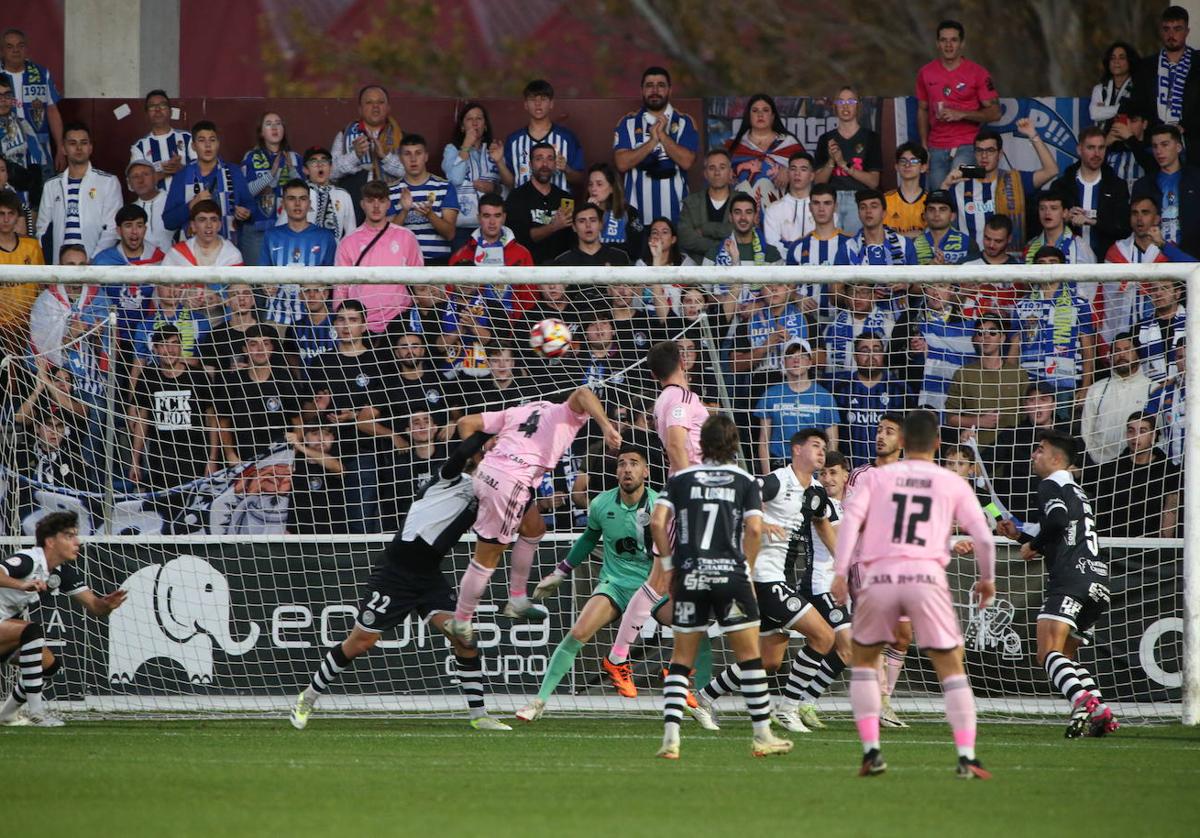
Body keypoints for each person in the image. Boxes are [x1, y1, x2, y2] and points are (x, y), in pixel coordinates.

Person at [290, 432, 511, 732]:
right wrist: (495, 424)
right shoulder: (447, 479)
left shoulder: (487, 500)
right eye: (488, 455)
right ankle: (308, 697)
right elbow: (463, 450)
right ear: (476, 459)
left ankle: (479, 714)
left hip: (428, 576)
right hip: (395, 572)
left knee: (465, 639)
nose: (492, 463)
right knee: (361, 642)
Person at [832, 410, 996, 778]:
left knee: (863, 661)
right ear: (938, 444)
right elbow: (984, 537)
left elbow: (849, 523)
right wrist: (987, 578)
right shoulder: (950, 481)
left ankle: (871, 750)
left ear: (904, 442)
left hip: (880, 575)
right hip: (926, 577)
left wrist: (841, 571)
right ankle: (966, 756)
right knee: (952, 666)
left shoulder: (877, 478)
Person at [651, 414, 792, 759]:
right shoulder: (745, 480)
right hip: (730, 577)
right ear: (734, 444)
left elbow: (657, 522)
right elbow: (755, 531)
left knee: (681, 659)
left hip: (690, 575)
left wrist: (669, 567)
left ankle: (671, 738)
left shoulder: (681, 478)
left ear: (701, 444)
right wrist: (746, 568)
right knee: (749, 656)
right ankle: (762, 735)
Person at [443, 386, 621, 645]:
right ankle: (461, 619)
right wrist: (606, 426)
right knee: (487, 556)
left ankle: (517, 598)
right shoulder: (566, 413)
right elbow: (583, 393)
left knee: (534, 528)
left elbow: (465, 423)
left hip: (493, 473)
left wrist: (480, 460)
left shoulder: (519, 410)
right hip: (510, 482)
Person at [693, 429, 841, 734]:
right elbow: (737, 501)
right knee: (825, 637)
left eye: (823, 447)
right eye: (815, 446)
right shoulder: (776, 480)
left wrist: (845, 562)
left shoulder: (815, 492)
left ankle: (704, 698)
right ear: (796, 449)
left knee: (769, 660)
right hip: (763, 578)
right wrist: (762, 521)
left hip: (781, 579)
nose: (821, 452)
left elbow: (824, 525)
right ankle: (788, 709)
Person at [517, 446, 662, 721]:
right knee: (577, 633)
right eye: (621, 464)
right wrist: (560, 572)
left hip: (652, 586)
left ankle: (700, 701)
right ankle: (538, 702)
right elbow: (587, 539)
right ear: (616, 471)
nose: (627, 469)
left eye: (634, 463)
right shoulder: (600, 505)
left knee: (689, 628)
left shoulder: (659, 506)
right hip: (615, 584)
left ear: (646, 471)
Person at [601, 340, 710, 698]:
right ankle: (622, 658)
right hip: (688, 497)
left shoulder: (676, 398)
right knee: (664, 581)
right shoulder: (677, 399)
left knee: (685, 586)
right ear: (681, 361)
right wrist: (692, 487)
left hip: (690, 494)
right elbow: (678, 444)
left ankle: (678, 670)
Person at [996, 431, 1118, 739]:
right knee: (1065, 656)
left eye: (1039, 449)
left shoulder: (1051, 484)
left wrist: (1033, 546)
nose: (1033, 455)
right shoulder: (1075, 490)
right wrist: (1019, 535)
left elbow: (1057, 523)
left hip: (1070, 579)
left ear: (1056, 458)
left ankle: (1082, 701)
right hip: (1097, 582)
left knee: (1046, 653)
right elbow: (1063, 529)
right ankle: (1100, 710)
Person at [0, 512, 126, 727]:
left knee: (49, 666)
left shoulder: (61, 573)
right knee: (31, 632)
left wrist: (107, 605)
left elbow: (95, 607)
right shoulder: (28, 560)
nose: (77, 542)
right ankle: (37, 714)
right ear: (50, 541)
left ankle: (7, 714)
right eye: (69, 536)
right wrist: (21, 585)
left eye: (76, 536)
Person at [128, 324, 216, 527]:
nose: (170, 349)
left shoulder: (198, 376)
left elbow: (212, 419)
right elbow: (142, 420)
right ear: (155, 349)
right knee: (163, 518)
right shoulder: (148, 377)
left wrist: (212, 458)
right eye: (164, 345)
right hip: (160, 461)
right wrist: (135, 459)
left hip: (195, 461)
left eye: (175, 344)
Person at [943, 121, 1059, 251]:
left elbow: (1051, 170)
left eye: (990, 150)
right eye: (979, 150)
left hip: (1008, 261)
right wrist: (945, 184)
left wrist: (1033, 135)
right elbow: (937, 216)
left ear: (1000, 154)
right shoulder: (960, 185)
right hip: (971, 262)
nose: (984, 156)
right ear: (974, 153)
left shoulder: (1015, 180)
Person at [915, 19, 1001, 191]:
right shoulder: (926, 72)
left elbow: (995, 113)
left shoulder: (978, 72)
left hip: (968, 145)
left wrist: (962, 114)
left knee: (961, 192)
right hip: (936, 146)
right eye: (943, 40)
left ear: (962, 44)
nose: (948, 45)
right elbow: (922, 109)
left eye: (953, 40)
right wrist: (924, 145)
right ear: (937, 43)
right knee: (938, 197)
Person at [613, 66, 699, 226]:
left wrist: (663, 136)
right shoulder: (627, 123)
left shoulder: (685, 122)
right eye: (649, 85)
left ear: (670, 90)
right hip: (636, 217)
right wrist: (652, 142)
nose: (655, 90)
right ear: (642, 90)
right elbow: (622, 163)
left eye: (660, 85)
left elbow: (687, 161)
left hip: (677, 216)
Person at [333, 180, 422, 334]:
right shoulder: (348, 242)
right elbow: (340, 289)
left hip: (400, 322)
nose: (376, 206)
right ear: (362, 204)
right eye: (370, 201)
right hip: (360, 325)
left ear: (388, 204)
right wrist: (343, 323)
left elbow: (420, 282)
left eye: (381, 201)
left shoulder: (407, 237)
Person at [213, 325, 307, 467]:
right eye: (253, 344)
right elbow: (223, 422)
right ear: (245, 349)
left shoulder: (284, 379)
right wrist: (230, 454)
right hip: (242, 461)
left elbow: (297, 421)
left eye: (266, 343)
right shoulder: (232, 381)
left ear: (272, 348)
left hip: (278, 460)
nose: (260, 349)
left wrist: (291, 452)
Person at [1013, 250, 1096, 411]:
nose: (1047, 267)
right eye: (1042, 263)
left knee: (1061, 433)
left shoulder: (1079, 303)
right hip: (1030, 384)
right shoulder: (1022, 305)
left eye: (1053, 262)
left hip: (1066, 383)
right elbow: (1014, 349)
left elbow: (1088, 350)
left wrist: (1085, 387)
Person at [35, 121, 121, 262]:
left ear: (91, 147)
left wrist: (93, 260)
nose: (79, 148)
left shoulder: (108, 182)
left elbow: (112, 229)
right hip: (59, 268)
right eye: (73, 143)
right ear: (63, 149)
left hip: (95, 265)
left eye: (84, 142)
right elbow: (42, 229)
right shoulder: (51, 185)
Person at [1091, 412, 1181, 539]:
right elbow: (1100, 514)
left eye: (1142, 431)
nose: (1135, 437)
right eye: (1131, 431)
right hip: (1114, 547)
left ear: (1153, 435)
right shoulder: (1109, 470)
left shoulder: (1168, 470)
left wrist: (1163, 546)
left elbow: (1171, 511)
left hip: (1154, 548)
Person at [162, 120, 254, 244]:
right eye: (201, 140)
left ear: (218, 144)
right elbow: (168, 221)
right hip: (192, 253)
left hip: (228, 250)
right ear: (194, 146)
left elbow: (250, 205)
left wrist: (246, 213)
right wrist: (192, 204)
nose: (208, 145)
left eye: (212, 140)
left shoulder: (233, 172)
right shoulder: (182, 176)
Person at [260, 179, 338, 326]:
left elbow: (332, 281)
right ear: (283, 203)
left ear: (309, 204)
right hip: (278, 318)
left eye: (302, 199)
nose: (297, 204)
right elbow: (263, 275)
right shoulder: (271, 236)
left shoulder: (325, 237)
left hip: (314, 319)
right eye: (291, 199)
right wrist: (267, 285)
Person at [754, 341, 839, 474]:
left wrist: (824, 474)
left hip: (813, 469)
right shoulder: (770, 395)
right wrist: (768, 476)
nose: (796, 360)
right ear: (783, 362)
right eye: (791, 356)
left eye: (802, 356)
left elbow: (833, 442)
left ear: (810, 362)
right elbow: (764, 441)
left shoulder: (825, 397)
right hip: (780, 466)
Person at [944, 316, 1029, 449]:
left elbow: (1027, 416)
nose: (986, 337)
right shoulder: (963, 374)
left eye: (992, 332)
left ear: (1002, 338)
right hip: (975, 452)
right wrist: (980, 421)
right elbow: (951, 418)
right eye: (980, 333)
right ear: (976, 339)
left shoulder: (1019, 374)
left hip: (1012, 454)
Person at [1052, 127, 1130, 262]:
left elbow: (1124, 228)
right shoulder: (1061, 186)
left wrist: (1092, 222)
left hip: (1107, 264)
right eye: (1091, 148)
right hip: (1068, 262)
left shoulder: (1117, 186)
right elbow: (1047, 222)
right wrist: (1064, 216)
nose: (1097, 153)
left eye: (1101, 148)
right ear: (1079, 149)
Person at [830, 332, 909, 466]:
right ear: (855, 356)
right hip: (849, 471)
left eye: (876, 350)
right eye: (864, 350)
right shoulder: (840, 390)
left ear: (883, 355)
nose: (871, 355)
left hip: (889, 471)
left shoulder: (900, 390)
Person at [814, 86, 881, 234]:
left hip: (859, 199)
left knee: (855, 247)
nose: (845, 106)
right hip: (831, 199)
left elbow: (873, 181)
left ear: (858, 106)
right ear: (834, 107)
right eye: (840, 101)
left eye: (851, 101)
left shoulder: (871, 138)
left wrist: (844, 164)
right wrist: (832, 161)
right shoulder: (825, 139)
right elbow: (818, 182)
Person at [330, 84, 403, 222]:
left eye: (380, 102)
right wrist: (355, 156)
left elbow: (411, 173)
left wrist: (385, 157)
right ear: (360, 109)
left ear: (388, 108)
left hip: (391, 206)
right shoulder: (344, 134)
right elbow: (331, 173)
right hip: (353, 205)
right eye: (369, 102)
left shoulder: (400, 136)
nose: (375, 107)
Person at [239, 111, 302, 265]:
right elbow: (247, 192)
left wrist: (292, 171)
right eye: (268, 124)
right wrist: (271, 174)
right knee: (258, 281)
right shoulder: (251, 157)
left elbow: (306, 192)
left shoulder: (294, 157)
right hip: (257, 229)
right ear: (261, 132)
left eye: (278, 123)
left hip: (289, 228)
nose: (274, 127)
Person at [1080, 334, 1153, 466]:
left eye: (1127, 350)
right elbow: (1086, 432)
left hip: (1140, 467)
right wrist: (1096, 458)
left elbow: (1159, 432)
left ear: (1137, 354)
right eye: (1117, 351)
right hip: (1101, 466)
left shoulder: (1153, 389)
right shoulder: (1097, 389)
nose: (1122, 355)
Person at [1131, 6, 1200, 140]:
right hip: (1155, 141)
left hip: (1194, 142)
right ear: (1161, 32)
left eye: (1177, 29)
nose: (1171, 35)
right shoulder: (1146, 66)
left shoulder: (1198, 62)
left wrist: (1185, 126)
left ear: (1187, 31)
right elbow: (1138, 103)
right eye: (1166, 29)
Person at [500, 79, 583, 191]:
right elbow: (510, 183)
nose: (538, 103)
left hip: (559, 206)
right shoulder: (514, 140)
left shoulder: (567, 138)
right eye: (533, 99)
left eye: (543, 99)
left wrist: (566, 169)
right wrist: (498, 161)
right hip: (523, 206)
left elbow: (580, 178)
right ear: (525, 105)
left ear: (551, 104)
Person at [0, 28, 63, 177]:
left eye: (20, 45)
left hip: (40, 149)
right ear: (2, 50)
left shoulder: (41, 73)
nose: (16, 50)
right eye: (10, 46)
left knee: (41, 196)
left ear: (26, 48)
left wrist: (60, 147)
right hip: (5, 149)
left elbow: (52, 110)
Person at [389, 133, 459, 265]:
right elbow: (387, 237)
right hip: (403, 263)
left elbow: (450, 234)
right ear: (400, 158)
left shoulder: (444, 187)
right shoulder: (391, 190)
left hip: (437, 263)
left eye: (418, 153)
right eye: (407, 154)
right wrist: (404, 212)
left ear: (426, 156)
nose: (413, 159)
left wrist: (430, 215)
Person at [1131, 124, 1200, 257]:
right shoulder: (1143, 185)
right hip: (1153, 258)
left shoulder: (1196, 179)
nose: (1159, 151)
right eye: (1155, 146)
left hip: (1192, 257)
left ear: (1179, 147)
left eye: (1165, 144)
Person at [503, 141, 574, 265]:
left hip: (560, 273)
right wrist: (553, 226)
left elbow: (571, 240)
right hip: (527, 269)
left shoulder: (564, 198)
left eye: (550, 159)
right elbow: (521, 238)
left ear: (555, 163)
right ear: (530, 164)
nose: (545, 164)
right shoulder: (517, 196)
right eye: (539, 159)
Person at [727, 93, 804, 207]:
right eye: (755, 110)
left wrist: (790, 172)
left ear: (773, 116)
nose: (760, 114)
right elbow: (718, 173)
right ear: (749, 116)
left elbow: (807, 173)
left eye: (765, 110)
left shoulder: (789, 143)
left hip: (782, 212)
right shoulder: (733, 145)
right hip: (742, 213)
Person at [442, 102, 500, 249]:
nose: (475, 123)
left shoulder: (494, 150)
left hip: (492, 225)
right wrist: (466, 145)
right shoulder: (452, 150)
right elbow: (455, 178)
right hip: (463, 226)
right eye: (469, 119)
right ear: (462, 127)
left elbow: (507, 187)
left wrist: (493, 188)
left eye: (479, 118)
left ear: (485, 125)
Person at [449, 192, 535, 270]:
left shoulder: (522, 254)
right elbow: (449, 287)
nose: (492, 222)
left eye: (497, 216)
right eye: (486, 216)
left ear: (504, 218)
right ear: (479, 218)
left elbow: (529, 287)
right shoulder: (461, 256)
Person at [129, 89, 194, 192]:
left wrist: (182, 169)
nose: (158, 110)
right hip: (156, 206)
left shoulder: (188, 138)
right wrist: (166, 172)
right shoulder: (139, 147)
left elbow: (203, 171)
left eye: (163, 105)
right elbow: (133, 185)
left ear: (170, 111)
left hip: (187, 203)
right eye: (152, 106)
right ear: (146, 114)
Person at [677, 147, 733, 262]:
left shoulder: (742, 201)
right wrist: (723, 246)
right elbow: (686, 239)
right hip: (698, 270)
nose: (717, 172)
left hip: (735, 267)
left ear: (730, 173)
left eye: (722, 167)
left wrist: (706, 229)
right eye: (712, 168)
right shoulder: (691, 202)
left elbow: (744, 234)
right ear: (705, 174)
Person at [835, 188, 917, 266]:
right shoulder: (847, 248)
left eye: (874, 206)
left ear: (884, 213)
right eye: (863, 207)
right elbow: (837, 280)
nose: (868, 211)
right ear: (859, 214)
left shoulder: (905, 244)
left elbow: (915, 279)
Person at [703, 191, 782, 265]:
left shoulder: (772, 254)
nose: (743, 217)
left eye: (748, 212)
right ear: (730, 217)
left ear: (755, 217)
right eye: (738, 212)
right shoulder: (713, 254)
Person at [1023, 189, 1097, 267]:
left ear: (1065, 213)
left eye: (1053, 208)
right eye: (1042, 208)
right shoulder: (1030, 247)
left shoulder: (1080, 247)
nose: (1047, 213)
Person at [586, 161, 643, 261]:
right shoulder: (582, 212)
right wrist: (592, 214)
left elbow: (637, 249)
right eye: (590, 184)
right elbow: (578, 247)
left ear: (612, 188)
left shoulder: (628, 212)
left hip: (622, 269)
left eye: (599, 184)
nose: (593, 189)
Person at [162, 200, 244, 268]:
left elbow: (239, 286)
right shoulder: (177, 254)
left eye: (213, 220)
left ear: (219, 225)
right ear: (193, 226)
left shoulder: (231, 254)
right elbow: (162, 285)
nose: (209, 225)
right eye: (202, 220)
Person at [763, 151, 817, 252]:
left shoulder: (822, 207)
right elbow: (773, 246)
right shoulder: (774, 209)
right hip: (784, 266)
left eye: (803, 169)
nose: (797, 173)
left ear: (812, 176)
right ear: (788, 173)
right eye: (793, 169)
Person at [299, 146, 355, 241]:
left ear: (331, 167)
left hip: (335, 253)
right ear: (305, 170)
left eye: (324, 161)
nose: (320, 165)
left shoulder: (343, 195)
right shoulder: (298, 195)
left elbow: (351, 232)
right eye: (313, 162)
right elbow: (283, 227)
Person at [554, 202, 632, 266]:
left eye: (593, 220)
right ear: (574, 227)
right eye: (582, 221)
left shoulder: (619, 257)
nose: (588, 225)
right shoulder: (563, 261)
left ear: (601, 225)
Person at [126, 158, 175, 253]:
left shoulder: (172, 201)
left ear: (156, 178)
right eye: (135, 176)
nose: (140, 180)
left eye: (145, 174)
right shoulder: (129, 211)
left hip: (172, 263)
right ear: (130, 184)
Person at [884, 142, 929, 239]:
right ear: (896, 166)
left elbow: (936, 235)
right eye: (903, 161)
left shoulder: (931, 201)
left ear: (923, 167)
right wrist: (910, 235)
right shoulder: (885, 200)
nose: (907, 165)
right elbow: (877, 234)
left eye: (914, 161)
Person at [1091, 42, 1139, 130]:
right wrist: (1122, 108)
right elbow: (1094, 113)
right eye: (1112, 58)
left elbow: (1135, 113)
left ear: (1130, 61)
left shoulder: (1138, 88)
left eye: (1122, 58)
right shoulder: (1100, 89)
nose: (1116, 61)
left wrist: (1104, 110)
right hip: (1102, 140)